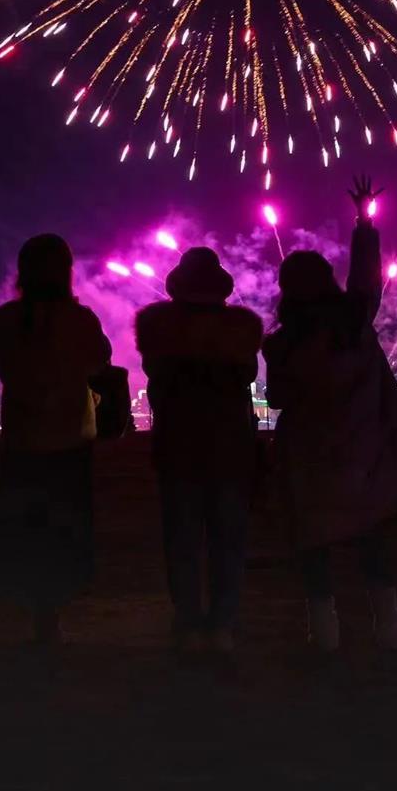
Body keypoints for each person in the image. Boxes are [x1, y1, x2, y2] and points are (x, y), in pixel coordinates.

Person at [264, 175, 397, 654]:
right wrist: (364, 222)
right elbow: (365, 281)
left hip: (310, 456)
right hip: (360, 454)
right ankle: (390, 627)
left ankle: (324, 635)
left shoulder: (282, 344)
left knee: (312, 543)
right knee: (371, 537)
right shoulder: (353, 325)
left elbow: (276, 399)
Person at [0, 233, 111, 645]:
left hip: (23, 438)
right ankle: (47, 617)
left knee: (8, 525)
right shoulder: (81, 321)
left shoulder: (7, 319)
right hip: (69, 440)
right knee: (59, 531)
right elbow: (99, 359)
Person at [136, 246, 263, 657]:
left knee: (182, 540)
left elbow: (157, 380)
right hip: (230, 449)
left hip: (178, 448)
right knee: (228, 540)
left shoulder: (158, 330)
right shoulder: (241, 331)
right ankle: (223, 624)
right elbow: (246, 375)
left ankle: (188, 622)